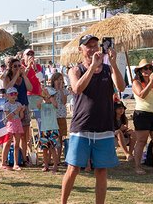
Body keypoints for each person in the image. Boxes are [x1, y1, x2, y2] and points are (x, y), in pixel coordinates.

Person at [61, 34, 125, 204]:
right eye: (88, 46)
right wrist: (92, 67)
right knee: (73, 169)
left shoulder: (108, 69)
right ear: (80, 49)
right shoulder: (75, 70)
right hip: (81, 127)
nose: (93, 49)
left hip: (104, 127)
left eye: (95, 45)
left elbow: (121, 87)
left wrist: (112, 63)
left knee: (101, 171)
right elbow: (77, 88)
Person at [131, 59, 153, 175]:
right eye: (145, 68)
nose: (148, 70)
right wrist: (151, 81)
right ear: (140, 71)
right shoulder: (136, 82)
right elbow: (141, 95)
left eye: (150, 68)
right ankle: (137, 166)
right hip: (141, 113)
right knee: (141, 141)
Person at [1, 57, 33, 166]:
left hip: (24, 106)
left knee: (24, 135)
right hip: (11, 109)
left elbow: (30, 88)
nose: (18, 68)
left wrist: (24, 75)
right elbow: (7, 87)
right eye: (15, 66)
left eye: (19, 66)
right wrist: (15, 76)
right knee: (10, 137)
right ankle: (5, 161)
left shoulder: (23, 77)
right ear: (10, 67)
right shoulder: (7, 77)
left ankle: (24, 158)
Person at [36, 87, 60, 174]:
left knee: (53, 148)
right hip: (44, 129)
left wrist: (49, 96)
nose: (47, 98)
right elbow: (38, 104)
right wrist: (42, 95)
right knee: (44, 149)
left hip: (53, 129)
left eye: (48, 96)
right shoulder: (42, 105)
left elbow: (55, 104)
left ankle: (55, 166)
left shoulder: (54, 105)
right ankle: (45, 165)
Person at [50, 72, 69, 160]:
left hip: (61, 116)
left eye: (61, 79)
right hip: (52, 117)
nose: (59, 81)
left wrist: (61, 90)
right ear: (53, 80)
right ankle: (51, 157)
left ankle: (58, 157)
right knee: (53, 137)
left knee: (60, 137)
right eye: (58, 79)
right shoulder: (50, 90)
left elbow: (64, 102)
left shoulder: (64, 90)